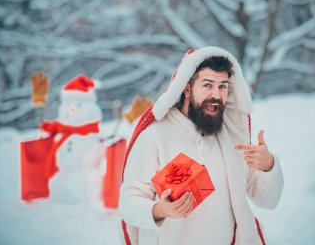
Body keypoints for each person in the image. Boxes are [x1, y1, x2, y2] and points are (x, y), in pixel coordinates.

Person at [119, 47, 284, 245]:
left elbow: (268, 200)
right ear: (186, 89)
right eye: (208, 85)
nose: (216, 94)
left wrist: (268, 166)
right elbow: (128, 204)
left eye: (223, 86)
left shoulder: (232, 139)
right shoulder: (154, 136)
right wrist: (161, 210)